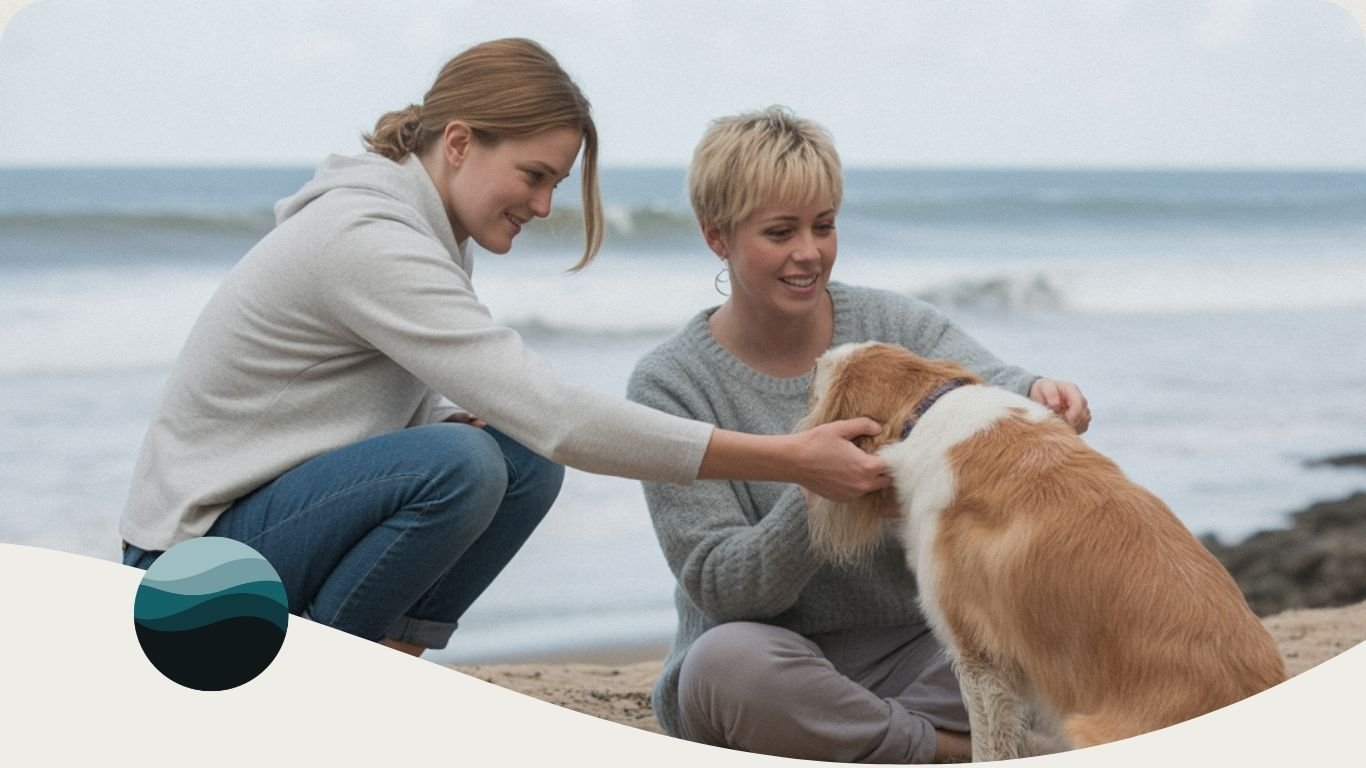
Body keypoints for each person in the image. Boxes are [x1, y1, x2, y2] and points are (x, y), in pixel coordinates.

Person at [119, 40, 888, 658]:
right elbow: (557, 414)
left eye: (556, 182)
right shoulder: (368, 238)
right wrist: (789, 459)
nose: (545, 205)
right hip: (187, 577)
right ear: (459, 142)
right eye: (535, 175)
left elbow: (493, 421)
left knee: (514, 458)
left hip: (259, 538)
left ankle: (388, 659)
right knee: (468, 462)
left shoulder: (419, 228)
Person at [627, 106, 1090, 762]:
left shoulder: (890, 322)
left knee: (1051, 614)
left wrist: (1040, 393)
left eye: (824, 225)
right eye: (780, 232)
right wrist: (817, 486)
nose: (809, 253)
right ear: (717, 237)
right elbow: (723, 587)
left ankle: (891, 741)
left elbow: (979, 380)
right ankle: (950, 752)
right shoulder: (669, 383)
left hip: (921, 651)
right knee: (725, 667)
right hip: (775, 661)